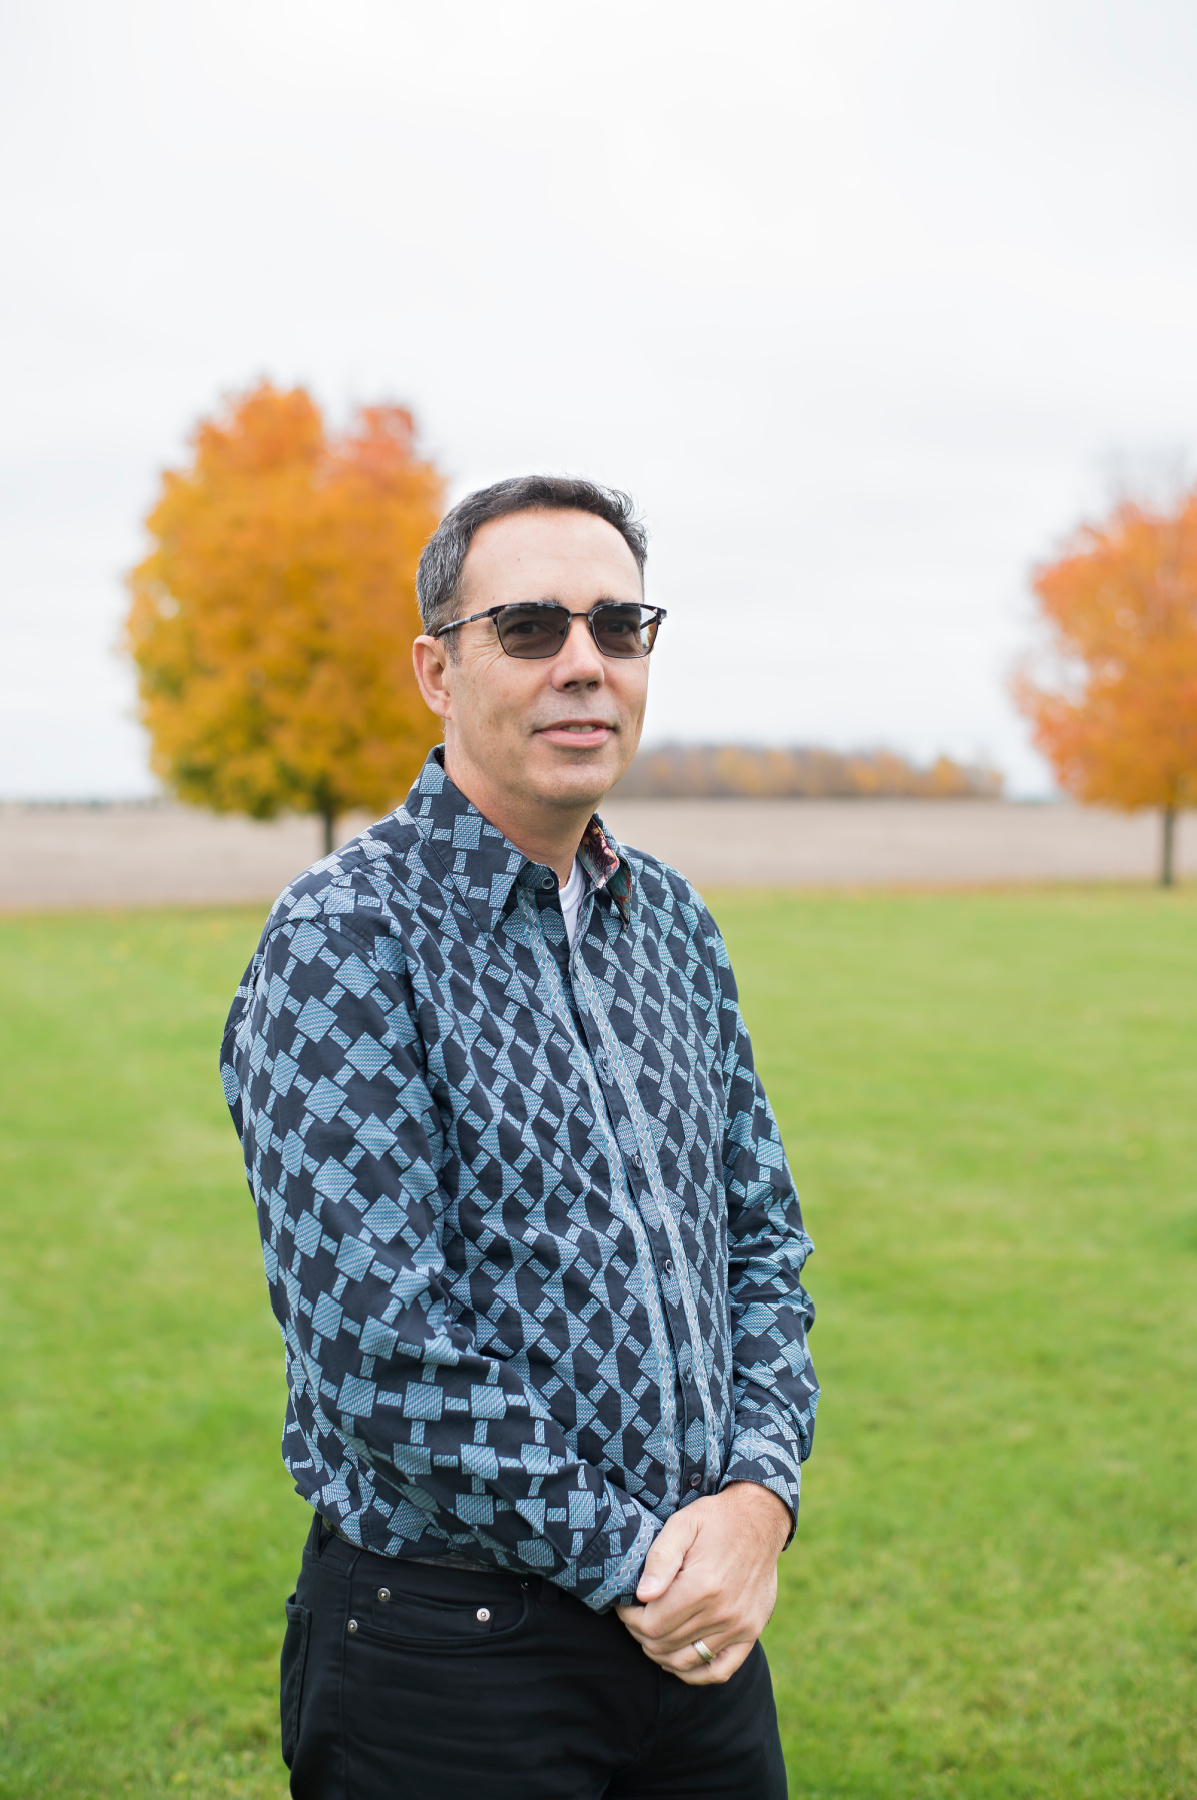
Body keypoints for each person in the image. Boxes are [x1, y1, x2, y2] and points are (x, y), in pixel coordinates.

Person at [220, 475, 818, 1799]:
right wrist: (635, 1561)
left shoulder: (671, 924)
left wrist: (760, 1500)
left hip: (700, 1639)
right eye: (534, 628)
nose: (586, 667)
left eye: (621, 626)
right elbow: (378, 1347)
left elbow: (763, 1243)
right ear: (437, 670)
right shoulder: (347, 942)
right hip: (453, 1658)